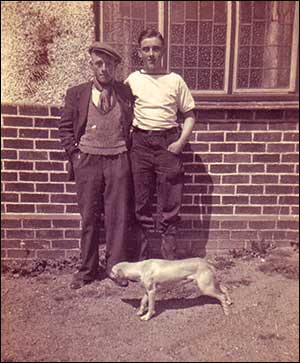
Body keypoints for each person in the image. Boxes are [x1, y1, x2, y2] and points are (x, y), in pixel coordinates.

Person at [58, 42, 133, 289]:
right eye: (99, 64)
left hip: (118, 159)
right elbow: (65, 128)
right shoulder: (76, 93)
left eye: (109, 65)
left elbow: (133, 123)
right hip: (87, 161)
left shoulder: (124, 92)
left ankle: (116, 268)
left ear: (115, 68)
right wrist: (75, 156)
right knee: (89, 216)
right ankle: (87, 270)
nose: (104, 69)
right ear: (91, 65)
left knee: (117, 216)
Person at [125, 29, 196, 260]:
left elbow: (190, 115)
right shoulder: (133, 80)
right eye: (146, 49)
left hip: (168, 143)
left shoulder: (175, 80)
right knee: (141, 203)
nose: (151, 53)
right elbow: (122, 113)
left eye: (156, 48)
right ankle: (142, 261)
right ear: (139, 53)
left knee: (170, 205)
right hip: (140, 145)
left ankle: (169, 263)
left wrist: (180, 143)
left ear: (162, 51)